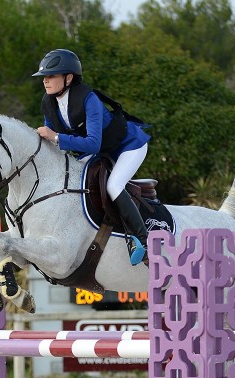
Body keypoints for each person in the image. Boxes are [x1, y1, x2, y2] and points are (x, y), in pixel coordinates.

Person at [32, 48, 152, 265]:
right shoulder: (48, 102)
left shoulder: (89, 99)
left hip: (128, 146)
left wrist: (56, 137)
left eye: (51, 76)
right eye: (44, 77)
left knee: (114, 186)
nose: (45, 81)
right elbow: (51, 140)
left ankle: (144, 242)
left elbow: (92, 143)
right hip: (97, 151)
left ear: (69, 78)